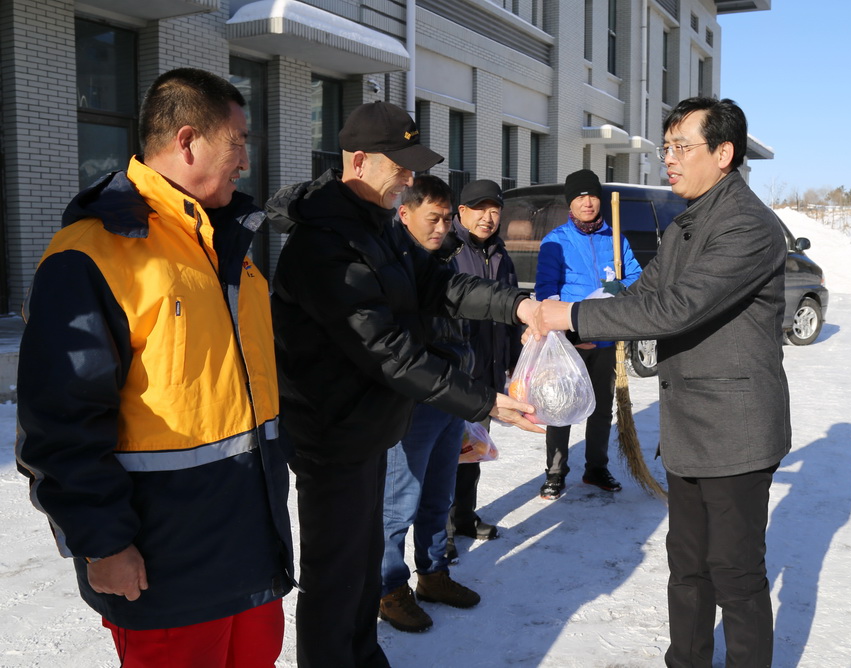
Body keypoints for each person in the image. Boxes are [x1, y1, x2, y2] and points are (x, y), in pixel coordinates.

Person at [15, 68, 294, 667]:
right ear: (188, 140)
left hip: (250, 550)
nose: (246, 162)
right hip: (165, 567)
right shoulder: (94, 254)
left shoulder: (230, 250)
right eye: (238, 142)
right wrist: (103, 543)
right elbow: (59, 423)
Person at [267, 101, 544, 667]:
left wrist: (519, 307)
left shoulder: (378, 228)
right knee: (336, 576)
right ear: (360, 161)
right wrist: (482, 400)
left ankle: (365, 657)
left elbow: (440, 286)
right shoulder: (325, 243)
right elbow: (385, 350)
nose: (410, 180)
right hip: (332, 435)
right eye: (402, 167)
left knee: (362, 563)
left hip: (372, 427)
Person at [533, 97, 792, 667]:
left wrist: (569, 315)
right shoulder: (686, 224)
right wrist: (566, 318)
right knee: (688, 567)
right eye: (665, 148)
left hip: (736, 432)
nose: (668, 159)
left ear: (724, 153)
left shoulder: (747, 226)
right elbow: (642, 294)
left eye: (681, 147)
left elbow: (677, 308)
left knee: (735, 575)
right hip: (689, 430)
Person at [378, 175, 484, 633]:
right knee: (399, 502)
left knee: (439, 496)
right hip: (412, 403)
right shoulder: (393, 264)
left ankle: (433, 574)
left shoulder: (444, 258)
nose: (442, 228)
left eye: (446, 219)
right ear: (404, 213)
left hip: (449, 396)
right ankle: (389, 588)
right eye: (433, 218)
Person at [534, 168, 643, 500]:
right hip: (571, 339)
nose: (588, 203)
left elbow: (636, 277)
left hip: (606, 337)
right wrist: (569, 332)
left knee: (601, 407)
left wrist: (617, 287)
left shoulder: (616, 238)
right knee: (562, 404)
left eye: (593, 196)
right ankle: (555, 472)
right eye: (580, 197)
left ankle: (596, 467)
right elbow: (546, 292)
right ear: (570, 202)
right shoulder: (556, 240)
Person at [446, 179, 521, 556]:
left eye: (494, 210)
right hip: (454, 375)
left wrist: (514, 364)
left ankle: (464, 515)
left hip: (488, 372)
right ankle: (441, 531)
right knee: (447, 455)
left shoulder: (501, 255)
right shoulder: (448, 252)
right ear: (461, 212)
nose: (488, 217)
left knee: (474, 451)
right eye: (479, 209)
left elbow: (511, 316)